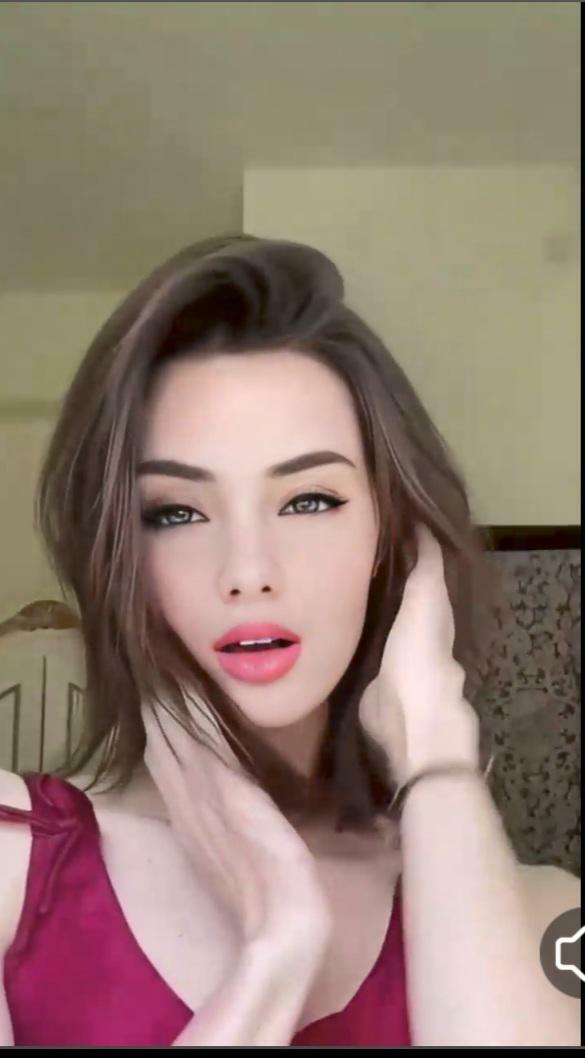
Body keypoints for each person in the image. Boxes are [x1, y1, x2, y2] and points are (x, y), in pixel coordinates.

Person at [0, 236, 579, 1047]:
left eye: (308, 501)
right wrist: (277, 953)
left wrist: (437, 751)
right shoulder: (17, 869)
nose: (247, 571)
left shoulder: (547, 916)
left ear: (393, 538)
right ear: (118, 555)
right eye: (176, 512)